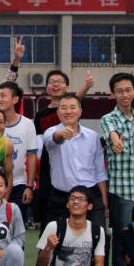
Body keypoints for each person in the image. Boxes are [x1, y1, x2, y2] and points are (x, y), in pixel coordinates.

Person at [99, 73, 134, 266]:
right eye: (120, 91)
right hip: (121, 189)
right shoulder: (108, 118)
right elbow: (112, 133)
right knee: (121, 237)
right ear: (113, 94)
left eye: (128, 90)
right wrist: (116, 140)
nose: (124, 94)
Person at [34, 186, 119, 266]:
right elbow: (41, 264)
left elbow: (100, 265)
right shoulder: (54, 226)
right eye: (72, 198)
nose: (76, 202)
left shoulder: (97, 230)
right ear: (67, 204)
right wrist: (48, 248)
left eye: (81, 199)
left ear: (90, 206)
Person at [33, 70, 94, 230]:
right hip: (49, 162)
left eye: (59, 82)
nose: (55, 85)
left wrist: (86, 86)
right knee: (48, 209)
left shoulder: (71, 111)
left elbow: (76, 99)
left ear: (67, 87)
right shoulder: (40, 114)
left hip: (71, 162)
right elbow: (40, 140)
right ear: (46, 87)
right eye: (52, 82)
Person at [42, 94, 108, 226]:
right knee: (55, 235)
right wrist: (62, 134)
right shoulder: (50, 132)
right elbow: (54, 138)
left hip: (90, 194)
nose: (68, 111)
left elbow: (100, 172)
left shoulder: (92, 136)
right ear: (58, 112)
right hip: (62, 197)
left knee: (98, 233)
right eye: (64, 108)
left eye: (72, 107)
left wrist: (104, 201)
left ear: (80, 111)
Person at [0, 82, 37, 219]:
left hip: (19, 183)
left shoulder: (27, 124)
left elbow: (32, 156)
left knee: (15, 224)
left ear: (15, 99)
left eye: (3, 95)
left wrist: (29, 186)